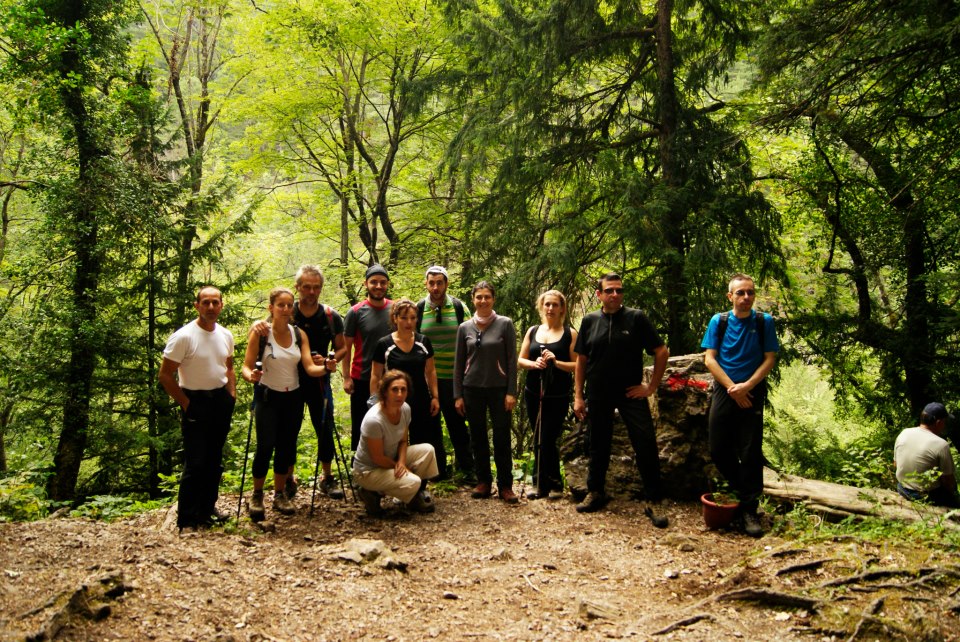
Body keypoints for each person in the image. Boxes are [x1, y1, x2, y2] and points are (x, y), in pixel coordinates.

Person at [573, 273, 670, 526]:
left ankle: (653, 499)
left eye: (619, 290)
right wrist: (578, 396)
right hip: (598, 392)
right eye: (609, 291)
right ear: (599, 294)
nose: (615, 295)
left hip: (630, 392)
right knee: (598, 442)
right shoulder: (590, 321)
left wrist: (651, 386)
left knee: (645, 441)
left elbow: (661, 351)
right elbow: (581, 360)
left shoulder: (636, 318)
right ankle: (596, 492)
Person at [252, 266, 347, 500]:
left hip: (317, 379)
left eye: (316, 287)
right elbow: (266, 331)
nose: (312, 292)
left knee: (324, 426)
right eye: (307, 287)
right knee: (288, 433)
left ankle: (327, 476)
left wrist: (328, 360)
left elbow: (342, 347)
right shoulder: (286, 310)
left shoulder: (330, 316)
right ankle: (289, 479)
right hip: (288, 381)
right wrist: (256, 324)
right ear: (298, 287)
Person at [241, 287, 335, 521]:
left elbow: (309, 367)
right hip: (267, 396)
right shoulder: (261, 333)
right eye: (280, 305)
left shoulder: (298, 334)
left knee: (286, 446)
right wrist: (250, 375)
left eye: (288, 305)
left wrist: (325, 367)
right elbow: (246, 365)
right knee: (265, 446)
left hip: (292, 396)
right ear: (270, 308)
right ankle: (257, 494)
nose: (285, 309)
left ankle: (279, 493)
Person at [701, 273, 779, 537]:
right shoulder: (719, 321)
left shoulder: (763, 321)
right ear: (730, 296)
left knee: (749, 451)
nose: (746, 298)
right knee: (718, 449)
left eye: (750, 292)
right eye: (740, 293)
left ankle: (749, 509)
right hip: (726, 389)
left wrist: (747, 386)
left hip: (752, 390)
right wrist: (733, 388)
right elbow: (709, 359)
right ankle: (744, 490)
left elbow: (769, 358)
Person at [160, 286, 237, 533]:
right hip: (195, 401)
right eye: (206, 303)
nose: (211, 307)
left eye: (215, 302)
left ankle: (207, 509)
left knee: (214, 460)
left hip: (220, 400)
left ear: (221, 305)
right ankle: (187, 518)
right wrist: (186, 404)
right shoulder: (184, 337)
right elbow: (165, 375)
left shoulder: (225, 335)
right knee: (196, 462)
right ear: (197, 306)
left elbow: (229, 366)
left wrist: (231, 395)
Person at [453, 281, 519, 504]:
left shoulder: (504, 324)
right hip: (472, 389)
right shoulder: (464, 328)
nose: (483, 301)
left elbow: (511, 360)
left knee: (501, 437)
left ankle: (505, 485)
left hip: (499, 389)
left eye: (487, 297)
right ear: (473, 299)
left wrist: (512, 391)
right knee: (478, 437)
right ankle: (483, 482)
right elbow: (459, 363)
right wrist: (458, 395)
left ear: (493, 299)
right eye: (479, 297)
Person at [352, 370, 439, 517]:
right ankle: (371, 493)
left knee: (428, 450)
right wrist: (399, 466)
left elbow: (404, 441)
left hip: (390, 458)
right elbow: (377, 458)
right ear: (384, 391)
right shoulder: (374, 420)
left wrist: (402, 462)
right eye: (394, 389)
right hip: (368, 471)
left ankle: (410, 496)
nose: (399, 394)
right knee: (413, 481)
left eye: (403, 390)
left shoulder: (404, 409)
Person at [416, 265, 474, 482]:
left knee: (458, 424)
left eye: (439, 282)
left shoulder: (459, 307)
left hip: (455, 377)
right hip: (428, 378)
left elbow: (471, 338)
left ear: (446, 284)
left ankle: (468, 471)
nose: (435, 287)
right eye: (431, 282)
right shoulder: (419, 308)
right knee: (431, 426)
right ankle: (437, 472)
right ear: (426, 284)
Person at [518, 290, 578, 500]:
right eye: (547, 304)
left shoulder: (570, 333)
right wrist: (535, 364)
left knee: (548, 437)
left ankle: (546, 483)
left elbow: (578, 365)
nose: (550, 308)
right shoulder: (533, 331)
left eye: (555, 305)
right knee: (538, 438)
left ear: (562, 308)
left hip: (558, 394)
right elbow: (520, 360)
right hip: (533, 391)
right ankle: (546, 482)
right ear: (541, 307)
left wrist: (556, 362)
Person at [371, 298, 441, 469]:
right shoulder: (384, 344)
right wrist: (375, 402)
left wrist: (435, 397)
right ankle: (396, 482)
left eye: (412, 317)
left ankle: (420, 485)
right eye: (403, 318)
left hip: (421, 399)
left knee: (422, 440)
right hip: (394, 402)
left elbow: (430, 371)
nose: (408, 322)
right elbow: (376, 375)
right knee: (394, 442)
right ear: (395, 318)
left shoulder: (423, 342)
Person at [343, 264, 393, 450]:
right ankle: (360, 468)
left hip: (391, 377)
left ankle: (388, 464)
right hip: (362, 377)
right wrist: (346, 377)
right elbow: (346, 348)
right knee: (362, 424)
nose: (378, 286)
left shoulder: (395, 309)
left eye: (382, 282)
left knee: (389, 422)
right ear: (366, 284)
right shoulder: (356, 312)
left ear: (387, 284)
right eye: (374, 282)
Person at [895, 402, 960, 508]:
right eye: (944, 421)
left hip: (902, 488)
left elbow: (896, 464)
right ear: (938, 422)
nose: (944, 425)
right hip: (925, 495)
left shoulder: (904, 433)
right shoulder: (941, 444)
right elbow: (948, 481)